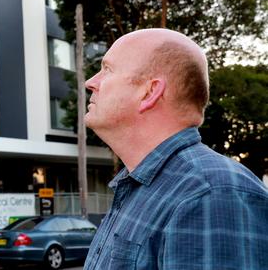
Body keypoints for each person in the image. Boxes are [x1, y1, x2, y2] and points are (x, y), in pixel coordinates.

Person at [83, 29, 268, 269]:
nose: (91, 83)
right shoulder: (142, 187)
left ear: (149, 92)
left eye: (107, 69)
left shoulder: (209, 194)